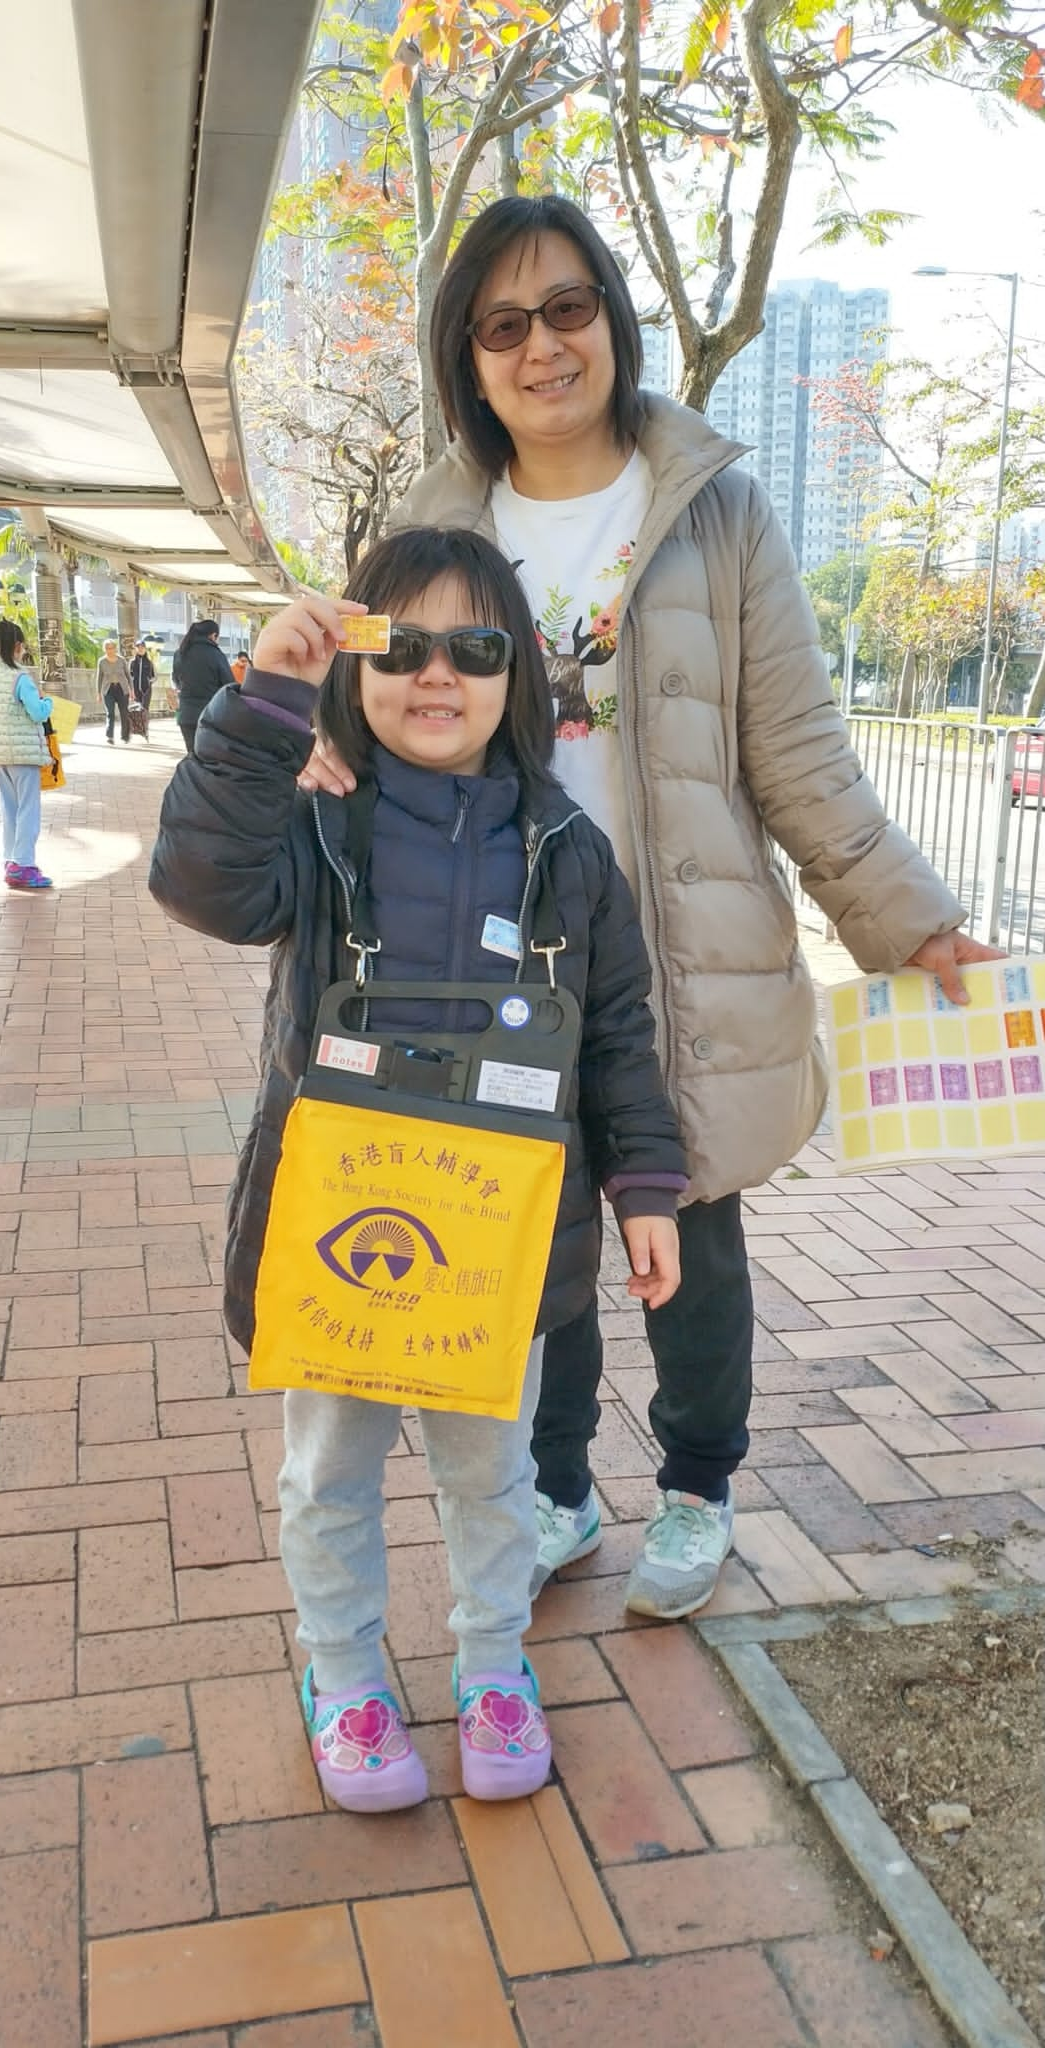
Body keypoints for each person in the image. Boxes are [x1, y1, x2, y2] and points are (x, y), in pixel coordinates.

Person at [274, 192, 1000, 1624]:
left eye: (565, 309)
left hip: (679, 946)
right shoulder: (432, 519)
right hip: (480, 945)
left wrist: (903, 917)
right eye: (501, 324)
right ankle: (551, 1492)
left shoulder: (714, 506)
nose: (541, 346)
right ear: (464, 357)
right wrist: (305, 746)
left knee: (692, 1234)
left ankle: (695, 1489)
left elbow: (792, 749)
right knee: (517, 1236)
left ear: (608, 316)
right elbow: (360, 728)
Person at [149, 527, 686, 1812]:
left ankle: (495, 1665)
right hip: (343, 1225)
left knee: (492, 1475)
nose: (437, 673)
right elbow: (199, 882)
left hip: (497, 1248)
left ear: (520, 678)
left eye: (476, 645)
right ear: (355, 665)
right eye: (402, 644)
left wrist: (646, 1187)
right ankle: (342, 1674)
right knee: (328, 1470)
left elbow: (613, 1034)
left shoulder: (569, 851)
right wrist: (264, 706)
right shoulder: (317, 820)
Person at [0, 619, 54, 890]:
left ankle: (10, 860)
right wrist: (48, 702)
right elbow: (38, 712)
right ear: (17, 646)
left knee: (10, 808)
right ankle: (24, 864)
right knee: (28, 809)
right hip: (22, 753)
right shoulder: (20, 677)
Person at [172, 617, 235, 753]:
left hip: (186, 715)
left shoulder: (179, 653)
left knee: (192, 755)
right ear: (213, 635)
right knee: (209, 759)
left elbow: (176, 680)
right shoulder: (216, 654)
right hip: (211, 716)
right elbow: (229, 685)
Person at [95, 639, 132, 744]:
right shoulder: (101, 661)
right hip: (108, 689)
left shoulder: (122, 660)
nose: (109, 650)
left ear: (115, 649)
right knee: (110, 713)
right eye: (107, 648)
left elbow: (128, 676)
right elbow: (99, 678)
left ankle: (125, 736)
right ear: (104, 649)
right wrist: (98, 693)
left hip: (122, 689)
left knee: (124, 713)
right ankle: (110, 736)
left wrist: (132, 690)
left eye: (111, 648)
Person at [130, 640, 156, 712]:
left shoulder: (150, 662)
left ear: (145, 649)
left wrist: (149, 681)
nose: (140, 649)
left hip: (146, 690)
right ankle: (137, 723)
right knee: (136, 710)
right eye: (138, 647)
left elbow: (155, 676)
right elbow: (129, 676)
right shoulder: (132, 662)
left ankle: (145, 723)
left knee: (145, 710)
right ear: (136, 649)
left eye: (142, 647)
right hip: (135, 690)